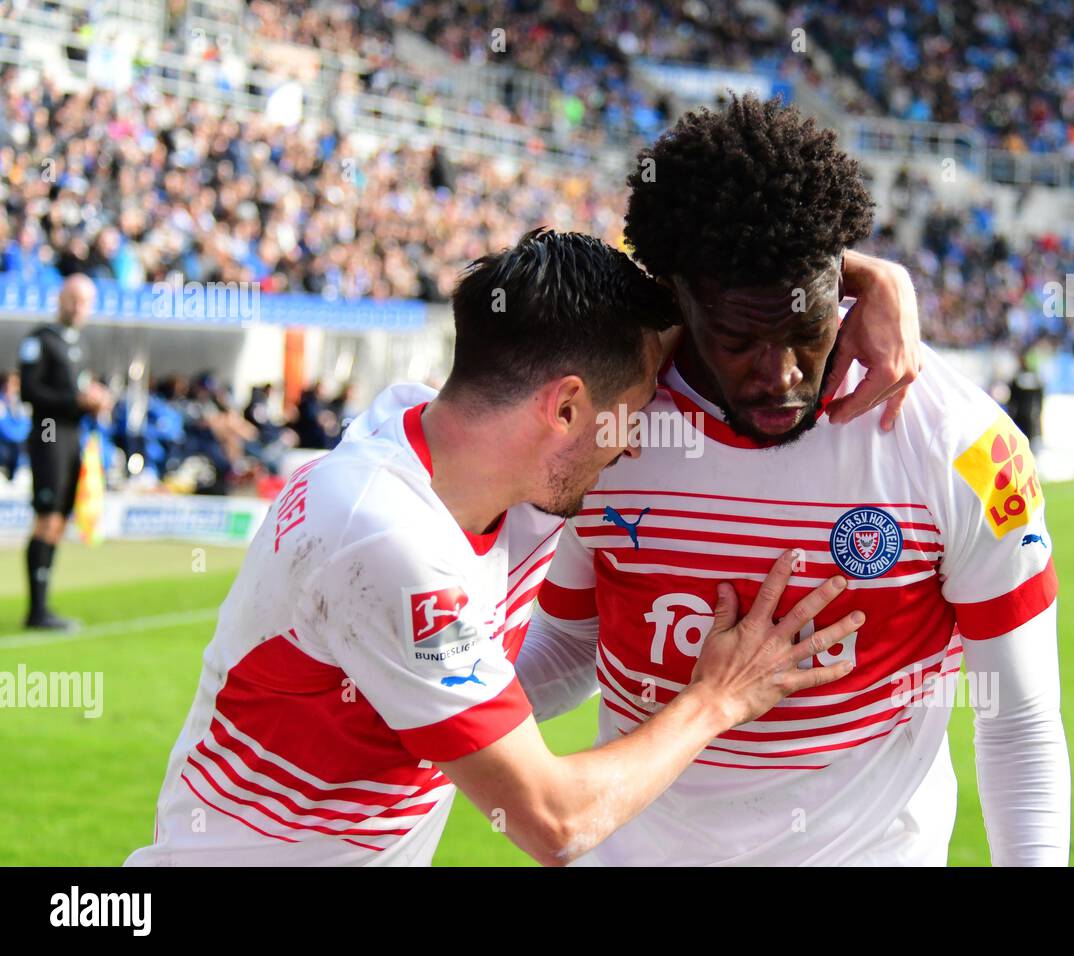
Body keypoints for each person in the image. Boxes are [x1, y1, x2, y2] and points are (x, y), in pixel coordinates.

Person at [125, 230, 862, 867]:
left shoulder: (471, 454)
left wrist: (868, 281)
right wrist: (719, 697)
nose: (637, 439)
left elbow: (691, 311)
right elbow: (556, 822)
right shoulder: (388, 541)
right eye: (631, 414)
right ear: (568, 407)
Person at [517, 96, 1070, 866]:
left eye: (805, 333)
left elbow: (1020, 719)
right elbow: (574, 646)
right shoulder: (609, 426)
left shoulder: (961, 442)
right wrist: (421, 710)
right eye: (739, 340)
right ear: (679, 300)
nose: (779, 375)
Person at [17, 274, 112, 630]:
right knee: (46, 517)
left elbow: (81, 387)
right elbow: (29, 391)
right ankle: (36, 610)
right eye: (74, 299)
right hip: (48, 435)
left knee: (58, 520)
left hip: (73, 437)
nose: (79, 307)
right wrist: (75, 400)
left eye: (86, 301)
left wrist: (95, 398)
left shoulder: (80, 344)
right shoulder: (40, 341)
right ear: (61, 299)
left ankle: (42, 606)